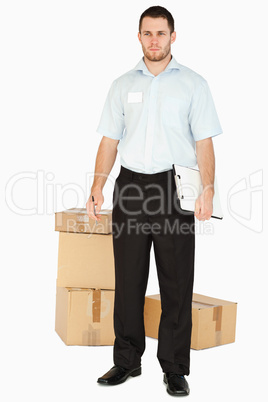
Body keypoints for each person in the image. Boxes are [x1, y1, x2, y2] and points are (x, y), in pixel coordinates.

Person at [86, 5, 222, 397]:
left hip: (174, 189)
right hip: (129, 187)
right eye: (147, 33)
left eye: (161, 33)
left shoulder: (194, 84)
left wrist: (208, 188)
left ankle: (175, 367)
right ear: (139, 36)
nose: (154, 41)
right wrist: (97, 183)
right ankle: (126, 361)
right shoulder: (121, 84)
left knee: (176, 282)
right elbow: (109, 140)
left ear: (173, 37)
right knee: (128, 279)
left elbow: (204, 141)